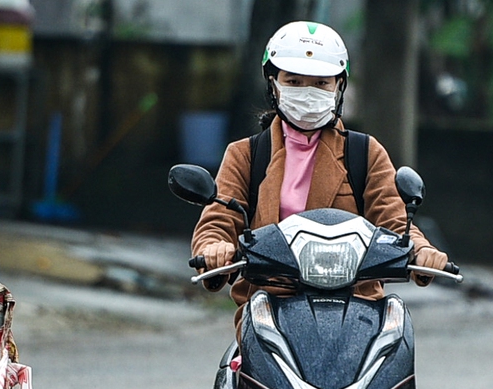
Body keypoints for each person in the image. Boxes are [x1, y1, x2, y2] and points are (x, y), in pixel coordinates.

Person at [190, 21, 452, 299]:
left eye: (320, 83)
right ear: (273, 84)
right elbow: (218, 221)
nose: (307, 91)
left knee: (395, 336)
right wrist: (214, 248)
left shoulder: (364, 152)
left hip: (355, 305)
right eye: (294, 81)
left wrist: (422, 251)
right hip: (270, 303)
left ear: (339, 86)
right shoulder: (246, 154)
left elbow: (395, 221)